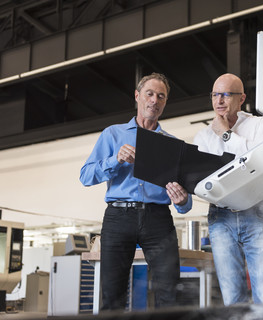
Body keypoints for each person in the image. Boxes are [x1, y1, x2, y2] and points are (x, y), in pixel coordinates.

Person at [79, 72, 192, 311]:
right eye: (150, 94)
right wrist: (114, 160)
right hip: (119, 217)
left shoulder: (172, 145)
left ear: (165, 103)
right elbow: (86, 176)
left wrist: (182, 201)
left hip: (158, 219)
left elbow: (185, 203)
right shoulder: (113, 134)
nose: (155, 100)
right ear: (137, 96)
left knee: (170, 291)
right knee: (112, 293)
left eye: (161, 96)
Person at [193, 73, 263, 305]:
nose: (219, 100)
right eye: (215, 95)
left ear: (241, 99)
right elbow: (200, 182)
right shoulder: (202, 136)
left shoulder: (260, 126)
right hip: (220, 218)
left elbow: (259, 164)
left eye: (226, 95)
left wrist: (225, 134)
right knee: (232, 297)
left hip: (257, 213)